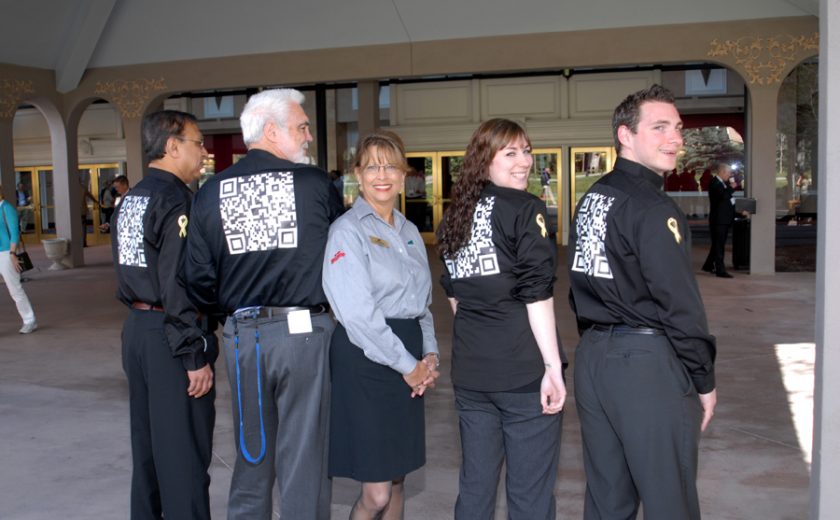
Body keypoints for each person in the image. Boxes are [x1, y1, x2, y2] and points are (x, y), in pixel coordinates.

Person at [184, 88, 343, 519]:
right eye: (302, 127)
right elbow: (341, 260)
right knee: (304, 460)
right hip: (306, 337)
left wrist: (235, 314)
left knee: (252, 453)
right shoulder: (314, 185)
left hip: (244, 340)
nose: (308, 135)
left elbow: (196, 278)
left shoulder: (211, 191)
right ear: (272, 131)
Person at [568, 84, 717, 520]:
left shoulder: (593, 197)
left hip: (595, 360)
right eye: (659, 128)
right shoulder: (653, 208)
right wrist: (702, 378)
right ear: (625, 135)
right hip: (645, 367)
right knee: (671, 500)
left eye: (677, 128)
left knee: (607, 500)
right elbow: (680, 306)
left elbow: (580, 284)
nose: (675, 139)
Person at [437, 118, 567, 520]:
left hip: (472, 375)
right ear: (483, 161)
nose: (524, 161)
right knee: (529, 495)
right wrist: (552, 367)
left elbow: (456, 297)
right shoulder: (524, 208)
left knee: (475, 490)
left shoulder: (454, 217)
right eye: (510, 153)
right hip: (521, 374)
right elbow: (537, 296)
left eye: (527, 151)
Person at [323, 131, 440, 520]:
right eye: (372, 166)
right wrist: (409, 366)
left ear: (404, 174)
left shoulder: (408, 232)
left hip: (408, 356)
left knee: (398, 478)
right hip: (366, 361)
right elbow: (357, 315)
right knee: (375, 493)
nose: (382, 175)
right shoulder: (347, 230)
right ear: (357, 173)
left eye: (391, 165)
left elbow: (422, 304)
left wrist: (429, 355)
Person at [111, 110, 217, 519]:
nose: (204, 152)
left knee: (150, 449)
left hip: (138, 330)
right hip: (170, 335)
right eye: (198, 143)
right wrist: (194, 354)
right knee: (184, 457)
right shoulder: (176, 201)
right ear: (172, 146)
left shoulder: (132, 197)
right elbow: (178, 284)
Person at [0, 188, 37, 333]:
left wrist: (12, 253)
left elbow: (14, 232)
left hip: (5, 253)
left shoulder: (6, 208)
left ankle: (29, 320)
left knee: (15, 289)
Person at [702, 160, 737, 278]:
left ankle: (708, 265)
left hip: (723, 219)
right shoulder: (715, 183)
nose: (730, 175)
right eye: (728, 173)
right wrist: (731, 188)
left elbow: (727, 199)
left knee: (717, 244)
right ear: (722, 172)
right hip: (718, 220)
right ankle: (720, 270)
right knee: (719, 245)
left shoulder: (722, 183)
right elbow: (722, 196)